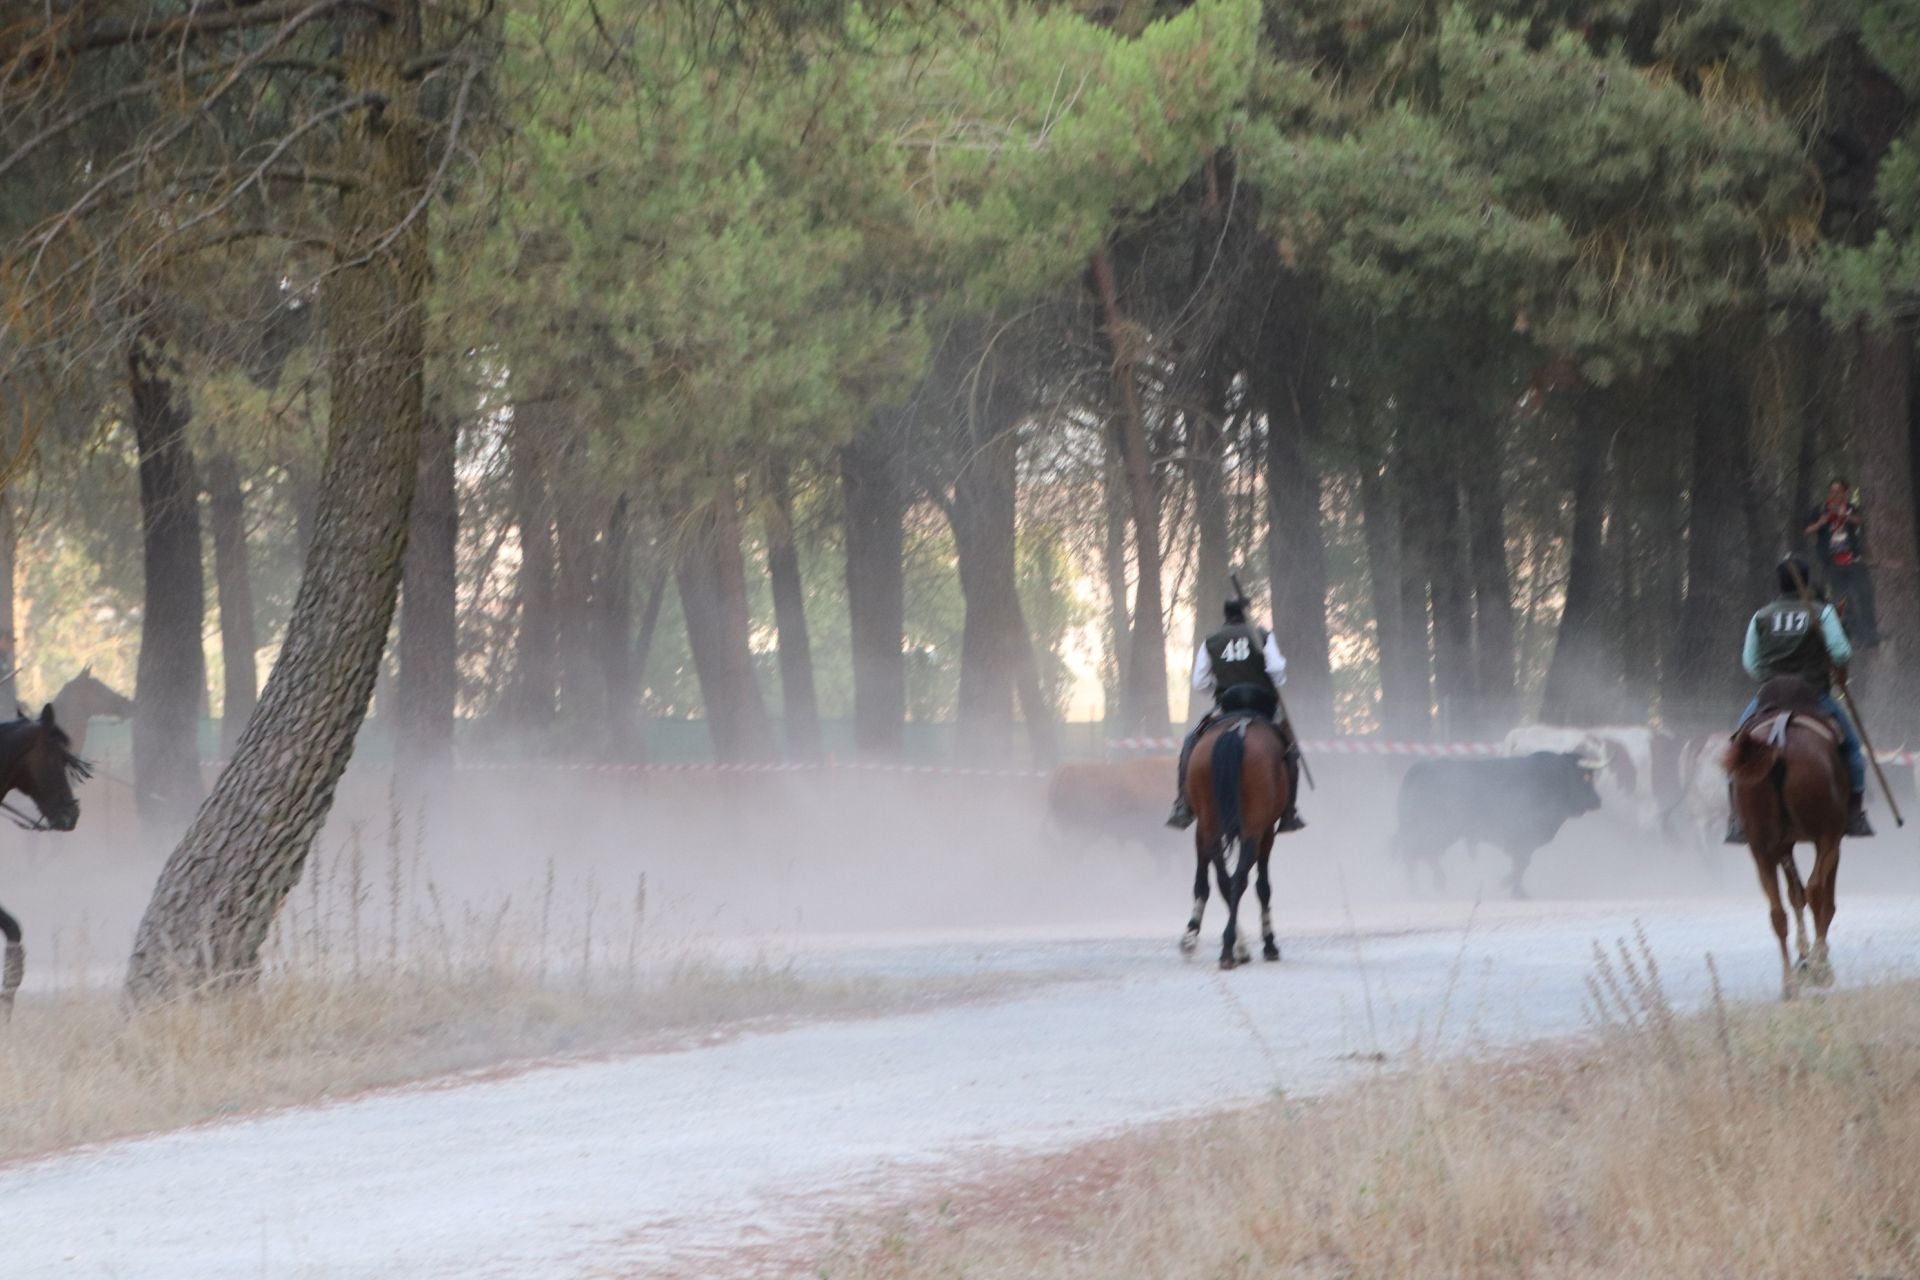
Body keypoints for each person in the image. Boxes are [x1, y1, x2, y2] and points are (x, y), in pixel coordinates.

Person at [1726, 554, 1873, 842]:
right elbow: (1842, 653)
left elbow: (1751, 665)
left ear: (1779, 583)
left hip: (1770, 696)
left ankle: (1737, 819)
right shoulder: (1824, 612)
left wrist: (1775, 671)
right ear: (1806, 581)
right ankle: (1854, 814)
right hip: (1812, 694)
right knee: (1854, 750)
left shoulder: (1761, 616)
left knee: (1737, 751)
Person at [1166, 595, 1305, 832]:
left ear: (1225, 615)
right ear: (1247, 614)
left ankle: (1182, 804)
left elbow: (1200, 682)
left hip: (1228, 704)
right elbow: (1277, 670)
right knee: (1290, 750)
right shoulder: (1262, 636)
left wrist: (1218, 687)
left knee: (1190, 742)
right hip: (1262, 705)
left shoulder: (1211, 641)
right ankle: (1289, 812)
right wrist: (1271, 679)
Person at [1805, 478, 1879, 649]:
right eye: (1832, 490)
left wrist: (1844, 514)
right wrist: (1821, 523)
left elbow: (1859, 521)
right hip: (1832, 563)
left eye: (1839, 491)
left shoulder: (1850, 507)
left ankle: (1871, 631)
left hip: (1853, 560)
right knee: (1845, 599)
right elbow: (1808, 529)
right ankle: (1856, 635)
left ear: (1845, 493)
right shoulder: (1820, 509)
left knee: (1864, 592)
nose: (1835, 494)